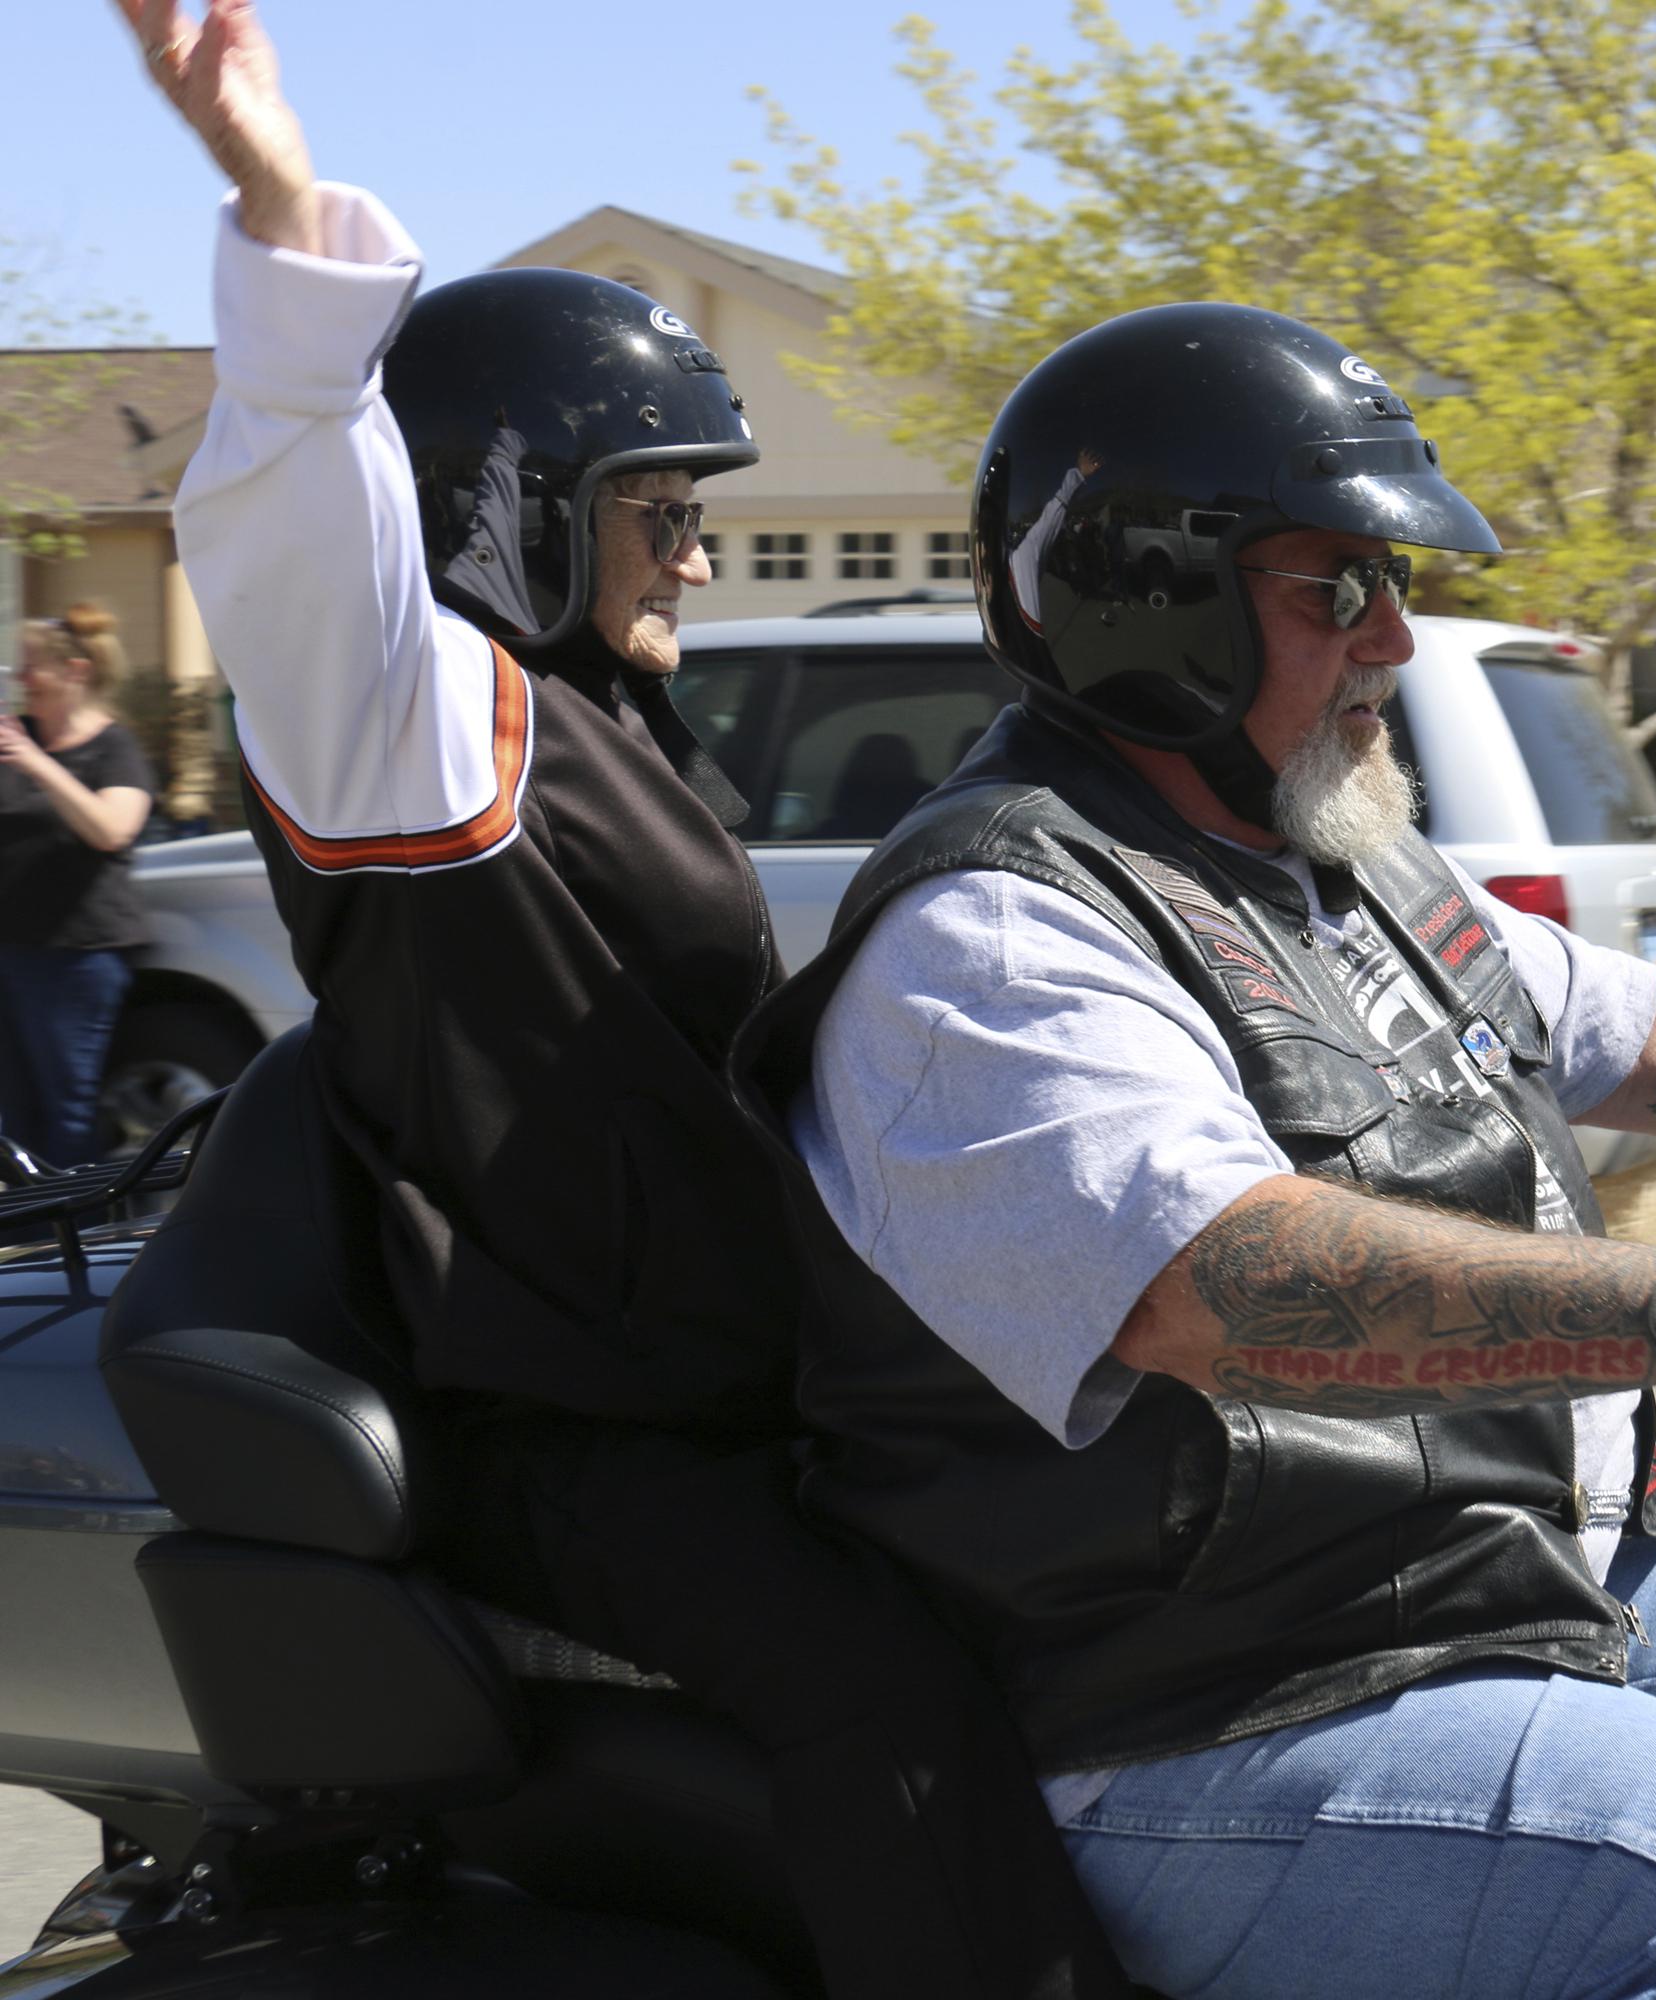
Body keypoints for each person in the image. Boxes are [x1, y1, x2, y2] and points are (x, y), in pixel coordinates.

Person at [732, 302, 1656, 1998]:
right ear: (1147, 600)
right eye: (1337, 587)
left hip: (1463, 1560)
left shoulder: (1322, 851)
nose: (1392, 636)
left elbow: (1642, 1035)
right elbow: (1222, 1284)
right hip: (1213, 1697)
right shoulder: (999, 942)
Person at [122, 3, 1125, 1994]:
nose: (694, 545)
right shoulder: (413, 724)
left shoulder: (604, 719)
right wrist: (271, 201)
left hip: (727, 1383)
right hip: (575, 1430)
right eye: (660, 509)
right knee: (883, 1694)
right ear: (517, 506)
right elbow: (299, 536)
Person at [0, 606, 155, 1167]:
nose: (20, 679)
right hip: (11, 950)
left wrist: (39, 764)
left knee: (68, 1112)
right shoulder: (15, 740)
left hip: (76, 957)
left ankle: (79, 1240)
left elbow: (112, 830)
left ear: (74, 671)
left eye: (31, 666)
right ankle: (25, 1242)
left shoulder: (113, 748)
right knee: (12, 1115)